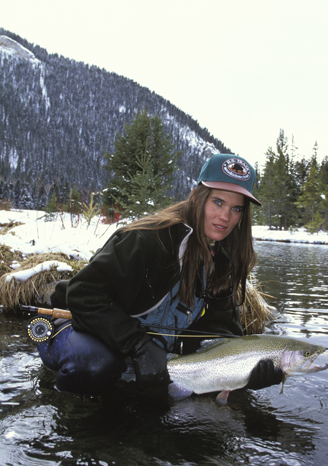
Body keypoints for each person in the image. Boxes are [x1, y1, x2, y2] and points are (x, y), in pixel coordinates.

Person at [37, 154, 283, 396]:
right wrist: (139, 346)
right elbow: (82, 294)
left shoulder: (222, 264)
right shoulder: (148, 239)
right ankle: (67, 412)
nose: (225, 217)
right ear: (197, 197)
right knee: (94, 366)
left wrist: (244, 373)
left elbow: (219, 334)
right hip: (76, 327)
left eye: (236, 208)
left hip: (139, 350)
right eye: (218, 202)